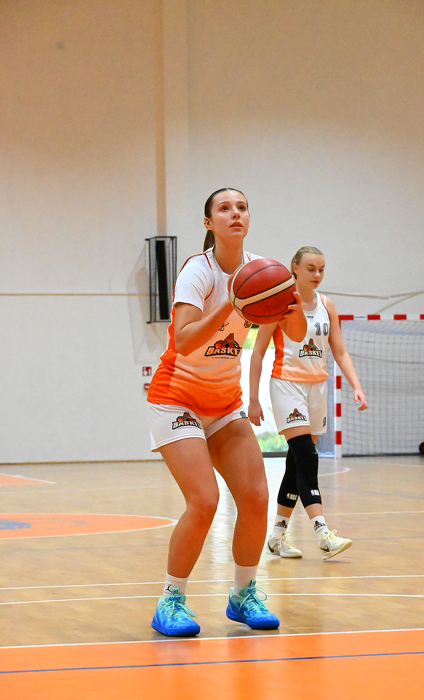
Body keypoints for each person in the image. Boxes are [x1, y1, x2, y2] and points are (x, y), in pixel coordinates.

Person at [146, 188, 306, 636]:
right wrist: (231, 303)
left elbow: (294, 332)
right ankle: (171, 600)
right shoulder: (198, 270)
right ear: (208, 223)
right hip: (176, 397)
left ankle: (243, 595)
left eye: (242, 207)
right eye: (224, 208)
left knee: (255, 498)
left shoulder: (264, 272)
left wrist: (289, 301)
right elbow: (182, 340)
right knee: (205, 501)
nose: (235, 213)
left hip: (223, 403)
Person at [248, 246, 367, 561]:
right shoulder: (278, 304)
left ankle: (277, 536)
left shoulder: (327, 305)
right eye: (311, 268)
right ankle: (323, 533)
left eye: (322, 269)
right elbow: (257, 352)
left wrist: (356, 386)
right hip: (287, 385)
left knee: (296, 463)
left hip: (318, 388)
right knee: (307, 456)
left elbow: (339, 350)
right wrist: (253, 399)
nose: (317, 274)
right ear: (295, 268)